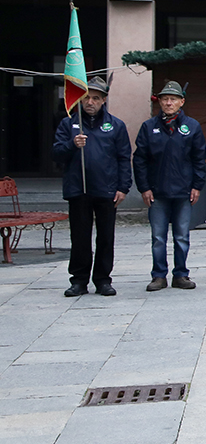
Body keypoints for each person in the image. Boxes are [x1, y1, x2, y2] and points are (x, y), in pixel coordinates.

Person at [53, 76, 131, 297]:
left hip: (106, 189)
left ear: (104, 100)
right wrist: (72, 144)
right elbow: (56, 153)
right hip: (79, 189)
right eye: (87, 97)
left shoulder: (116, 125)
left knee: (106, 237)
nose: (90, 102)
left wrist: (123, 187)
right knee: (79, 237)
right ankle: (78, 280)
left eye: (96, 98)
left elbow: (124, 158)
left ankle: (103, 280)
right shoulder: (68, 124)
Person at [133, 81, 205, 292]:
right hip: (157, 192)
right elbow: (140, 160)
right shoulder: (149, 127)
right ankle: (158, 276)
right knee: (158, 237)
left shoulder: (192, 126)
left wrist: (197, 185)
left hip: (183, 191)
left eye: (173, 99)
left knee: (182, 236)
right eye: (165, 99)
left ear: (182, 102)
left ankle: (181, 274)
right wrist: (144, 187)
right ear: (159, 102)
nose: (169, 102)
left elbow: (199, 159)